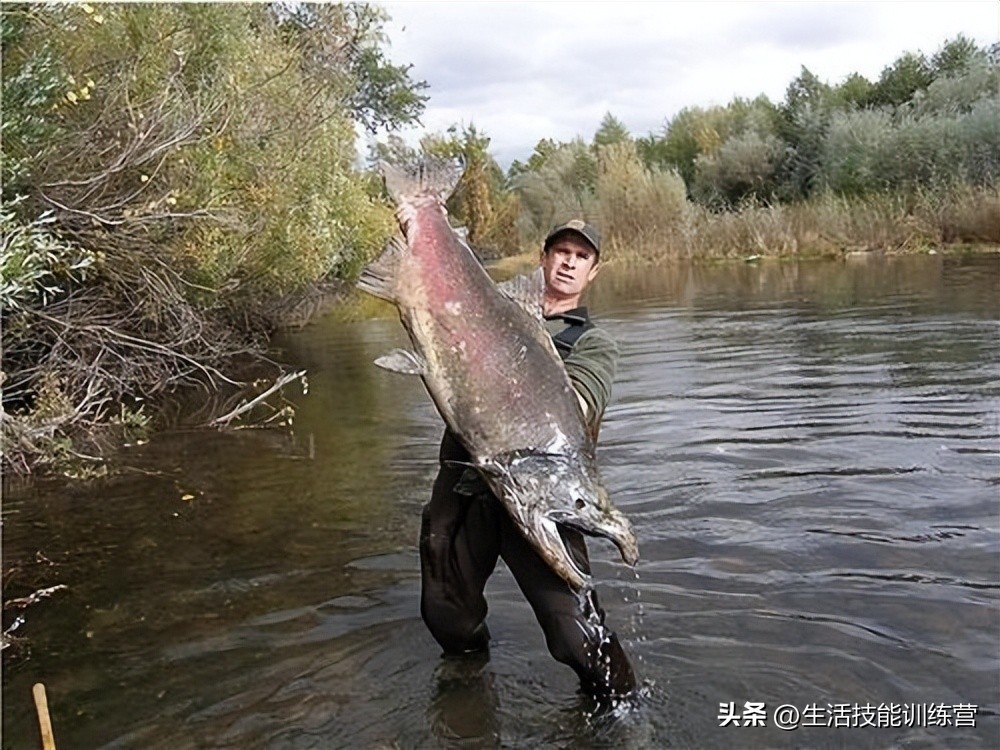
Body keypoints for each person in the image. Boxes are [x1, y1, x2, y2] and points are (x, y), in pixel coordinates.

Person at [418, 220, 636, 699]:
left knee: (576, 633)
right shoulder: (490, 313)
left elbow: (580, 405)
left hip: (544, 494)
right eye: (561, 251)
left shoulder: (593, 343)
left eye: (581, 257)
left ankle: (623, 707)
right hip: (465, 483)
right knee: (446, 617)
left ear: (593, 272)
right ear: (543, 258)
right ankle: (467, 691)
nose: (569, 262)